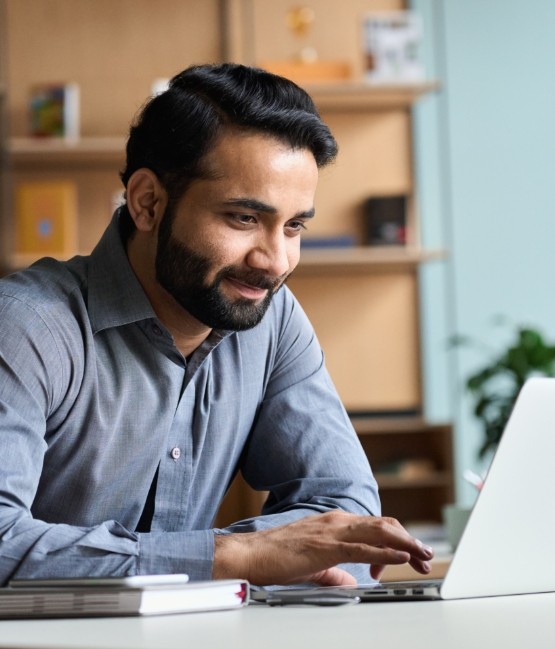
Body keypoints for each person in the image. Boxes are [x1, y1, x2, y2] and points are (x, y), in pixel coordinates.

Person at [0, 63, 433, 587]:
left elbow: (346, 506)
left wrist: (258, 555)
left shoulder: (272, 319)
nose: (275, 262)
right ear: (147, 203)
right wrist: (233, 558)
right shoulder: (26, 326)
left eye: (293, 226)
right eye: (244, 219)